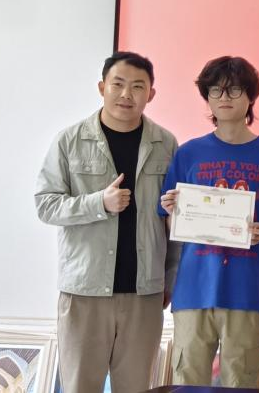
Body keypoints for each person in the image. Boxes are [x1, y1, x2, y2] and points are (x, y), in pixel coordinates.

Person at [35, 51, 178, 393]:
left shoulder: (166, 144)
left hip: (144, 293)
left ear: (151, 94)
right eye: (118, 84)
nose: (127, 94)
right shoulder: (70, 141)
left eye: (138, 86)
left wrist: (170, 279)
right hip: (85, 292)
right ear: (102, 88)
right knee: (80, 387)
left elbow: (175, 223)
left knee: (136, 388)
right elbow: (46, 204)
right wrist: (98, 203)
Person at [158, 55, 259, 388]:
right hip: (193, 290)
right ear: (207, 97)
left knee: (241, 383)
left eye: (234, 90)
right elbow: (171, 225)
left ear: (250, 96)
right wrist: (172, 209)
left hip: (246, 291)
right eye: (215, 91)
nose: (224, 98)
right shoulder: (188, 153)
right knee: (187, 384)